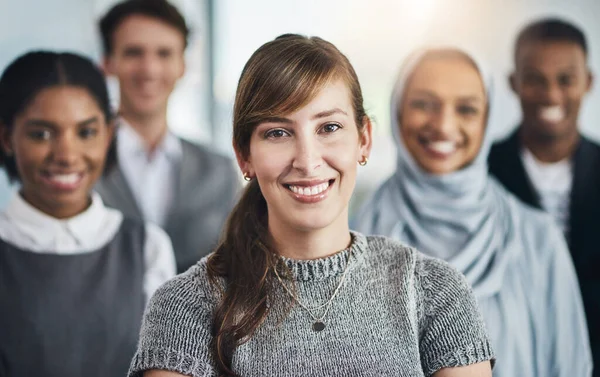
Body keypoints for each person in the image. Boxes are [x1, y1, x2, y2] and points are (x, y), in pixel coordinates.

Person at [127, 34, 494, 377]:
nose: (307, 160)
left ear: (363, 140)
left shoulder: (434, 291)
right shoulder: (184, 306)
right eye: (278, 133)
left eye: (329, 128)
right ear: (245, 156)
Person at [353, 47, 591, 377]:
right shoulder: (352, 232)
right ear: (397, 111)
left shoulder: (537, 238)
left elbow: (570, 367)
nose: (444, 125)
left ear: (487, 121)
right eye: (423, 104)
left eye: (466, 109)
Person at [0, 51, 176, 377]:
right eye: (41, 134)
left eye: (86, 133)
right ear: (6, 137)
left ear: (109, 135)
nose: (67, 156)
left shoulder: (148, 248)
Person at [488, 18, 600, 374]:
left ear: (588, 82)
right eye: (535, 79)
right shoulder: (482, 173)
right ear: (514, 83)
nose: (551, 94)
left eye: (565, 80)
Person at [96, 0, 240, 273]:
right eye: (133, 53)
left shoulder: (218, 171)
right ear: (108, 63)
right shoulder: (82, 165)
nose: (149, 69)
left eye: (164, 54)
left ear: (182, 65)